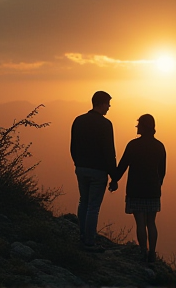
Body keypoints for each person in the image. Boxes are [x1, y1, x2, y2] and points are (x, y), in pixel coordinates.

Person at [109, 114, 166, 262]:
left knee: (140, 222)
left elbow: (122, 166)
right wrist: (157, 185)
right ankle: (152, 253)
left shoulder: (133, 145)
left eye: (138, 125)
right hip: (152, 190)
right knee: (151, 222)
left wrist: (114, 180)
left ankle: (142, 252)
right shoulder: (159, 146)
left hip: (136, 190)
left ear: (143, 127)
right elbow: (162, 171)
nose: (137, 128)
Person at [70, 91, 117, 250]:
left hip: (81, 168)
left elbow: (73, 147)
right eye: (108, 104)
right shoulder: (105, 124)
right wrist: (114, 176)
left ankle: (82, 235)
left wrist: (78, 163)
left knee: (83, 201)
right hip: (98, 171)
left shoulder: (79, 121)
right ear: (101, 103)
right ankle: (89, 241)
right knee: (93, 206)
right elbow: (109, 152)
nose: (109, 107)